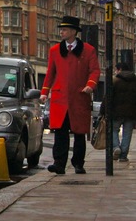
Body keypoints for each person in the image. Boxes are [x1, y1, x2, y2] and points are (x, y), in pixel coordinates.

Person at [40, 16, 100, 175]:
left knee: (79, 133)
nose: (61, 32)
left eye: (65, 30)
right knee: (60, 132)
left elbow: (94, 70)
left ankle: (78, 163)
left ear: (73, 32)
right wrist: (44, 92)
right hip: (60, 99)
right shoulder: (54, 51)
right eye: (61, 29)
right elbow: (50, 73)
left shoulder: (88, 50)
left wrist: (90, 85)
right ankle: (59, 163)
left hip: (79, 97)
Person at [110, 62, 136, 162]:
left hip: (116, 112)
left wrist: (103, 111)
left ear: (120, 69)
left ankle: (116, 147)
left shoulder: (115, 81)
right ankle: (123, 155)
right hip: (131, 112)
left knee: (113, 130)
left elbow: (108, 97)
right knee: (127, 133)